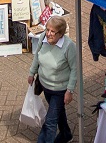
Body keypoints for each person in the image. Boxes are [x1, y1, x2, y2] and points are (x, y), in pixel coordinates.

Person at [28, 15, 79, 143]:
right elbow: (37, 57)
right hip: (45, 85)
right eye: (47, 30)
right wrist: (31, 73)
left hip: (59, 90)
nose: (48, 34)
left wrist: (70, 91)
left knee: (50, 122)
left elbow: (74, 69)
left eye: (52, 31)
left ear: (61, 34)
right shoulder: (43, 38)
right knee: (58, 113)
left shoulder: (69, 47)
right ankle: (66, 135)